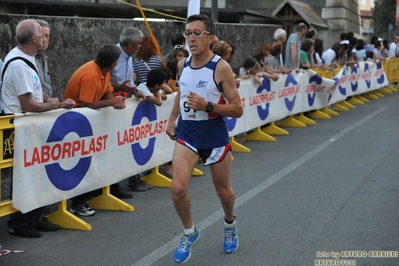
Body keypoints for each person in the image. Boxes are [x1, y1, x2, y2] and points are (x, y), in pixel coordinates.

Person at [166, 14, 243, 264]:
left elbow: (237, 108)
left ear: (210, 38)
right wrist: (171, 119)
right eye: (188, 33)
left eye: (197, 33)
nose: (191, 38)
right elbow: (181, 93)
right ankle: (189, 232)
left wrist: (208, 106)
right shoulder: (182, 65)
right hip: (188, 133)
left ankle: (229, 225)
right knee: (177, 188)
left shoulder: (221, 67)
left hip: (214, 134)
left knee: (223, 191)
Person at [3, 19, 75, 238]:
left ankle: (34, 217)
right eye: (42, 35)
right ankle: (20, 221)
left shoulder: (27, 58)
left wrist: (48, 98)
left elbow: (34, 90)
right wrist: (58, 104)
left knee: (38, 172)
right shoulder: (18, 63)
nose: (45, 38)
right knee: (26, 175)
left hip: (28, 125)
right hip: (21, 126)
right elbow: (29, 105)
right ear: (34, 38)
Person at [62, 44, 127, 216]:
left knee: (94, 159)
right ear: (113, 64)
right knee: (81, 162)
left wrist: (116, 100)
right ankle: (77, 203)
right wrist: (112, 102)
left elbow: (108, 93)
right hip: (76, 123)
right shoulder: (91, 74)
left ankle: (91, 195)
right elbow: (86, 102)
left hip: (88, 123)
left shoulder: (103, 72)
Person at [111, 27, 144, 98]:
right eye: (139, 44)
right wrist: (119, 88)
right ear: (130, 45)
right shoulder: (111, 55)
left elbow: (129, 78)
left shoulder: (129, 55)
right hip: (110, 100)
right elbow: (101, 84)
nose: (140, 46)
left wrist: (135, 92)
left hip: (122, 98)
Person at [34, 20, 52, 96]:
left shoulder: (44, 57)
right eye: (41, 36)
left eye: (47, 36)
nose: (44, 40)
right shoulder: (28, 58)